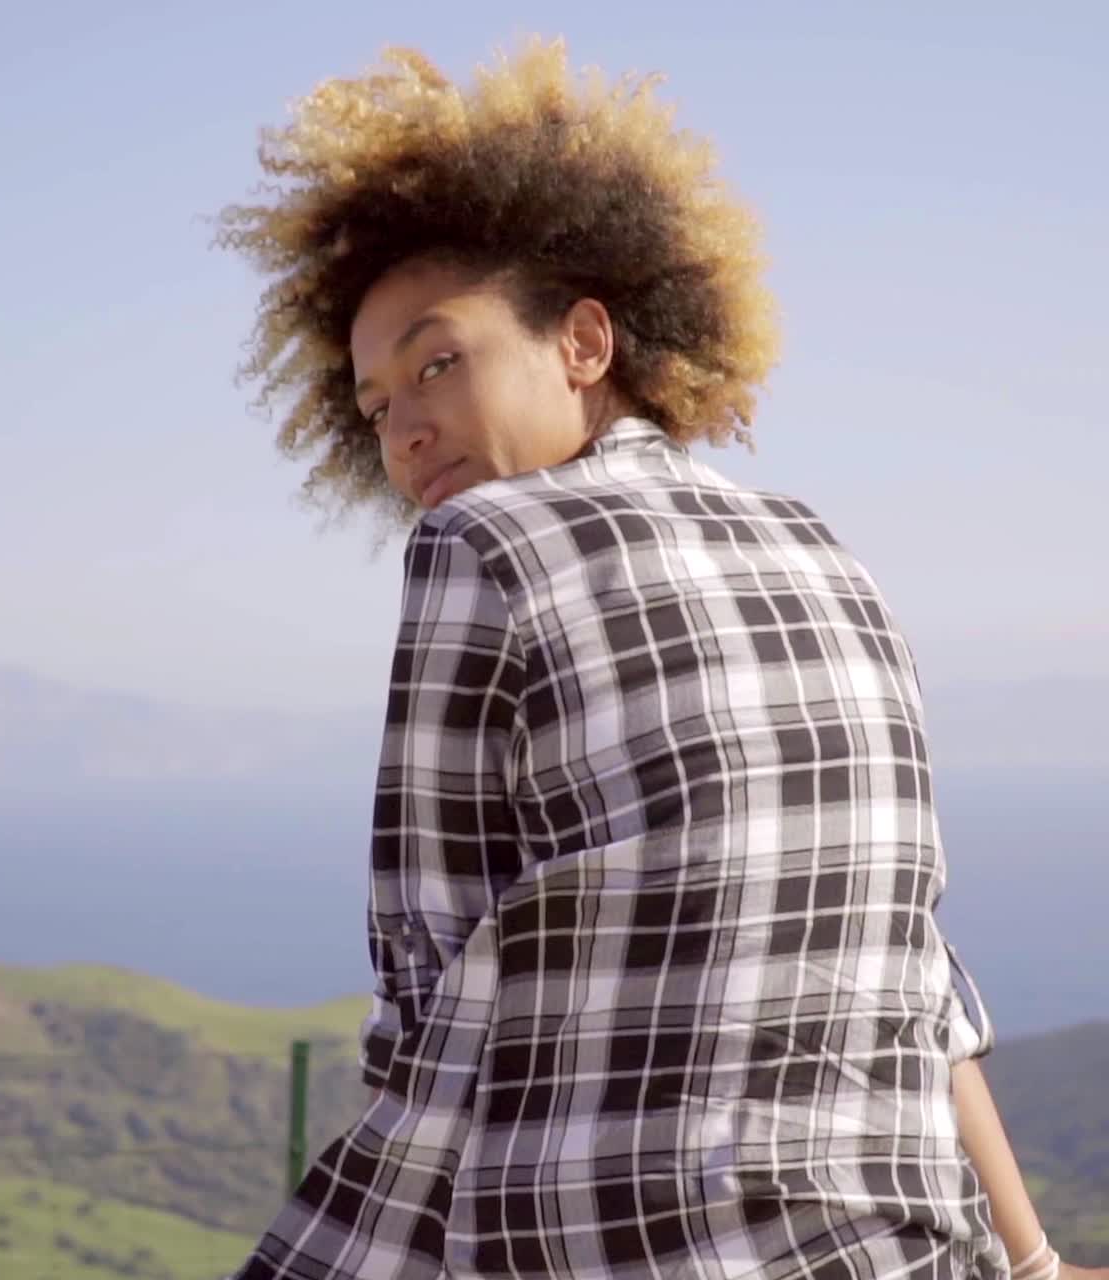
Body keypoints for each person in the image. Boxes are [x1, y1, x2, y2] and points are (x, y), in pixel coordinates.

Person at [216, 39, 1103, 1280]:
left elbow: (424, 993)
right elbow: (913, 965)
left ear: (584, 341)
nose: (403, 425)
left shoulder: (477, 543)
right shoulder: (826, 549)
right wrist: (1033, 1258)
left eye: (436, 361)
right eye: (372, 409)